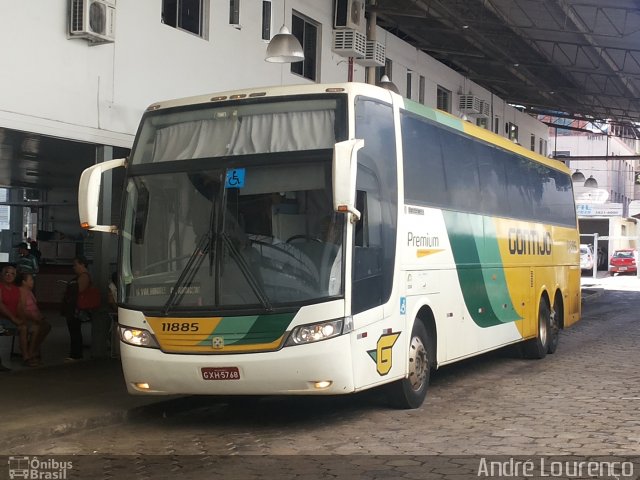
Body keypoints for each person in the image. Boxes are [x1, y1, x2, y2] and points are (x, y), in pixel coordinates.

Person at [16, 271, 51, 366]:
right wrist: (34, 318)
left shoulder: (29, 291)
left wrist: (40, 316)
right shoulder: (22, 291)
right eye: (30, 280)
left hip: (34, 318)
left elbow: (34, 307)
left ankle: (32, 349)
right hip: (27, 319)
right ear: (24, 282)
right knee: (37, 328)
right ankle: (30, 353)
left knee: (46, 326)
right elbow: (22, 309)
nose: (32, 281)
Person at [63, 256, 93, 361]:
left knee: (75, 331)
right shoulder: (82, 276)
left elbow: (78, 291)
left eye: (75, 265)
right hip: (74, 308)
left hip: (76, 309)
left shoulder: (84, 277)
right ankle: (75, 353)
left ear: (82, 264)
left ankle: (75, 354)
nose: (74, 267)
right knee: (74, 331)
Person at [0, 265, 30, 365]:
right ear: (2, 275)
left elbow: (19, 307)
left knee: (24, 327)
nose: (9, 275)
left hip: (11, 321)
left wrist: (22, 319)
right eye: (6, 273)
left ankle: (26, 357)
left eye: (12, 274)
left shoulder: (16, 290)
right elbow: (1, 305)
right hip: (2, 320)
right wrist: (14, 319)